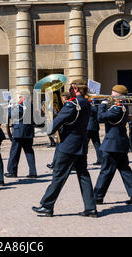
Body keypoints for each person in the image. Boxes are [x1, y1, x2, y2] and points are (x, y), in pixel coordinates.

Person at [32, 79, 98, 218]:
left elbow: (57, 122)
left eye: (71, 88)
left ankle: (47, 206)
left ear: (75, 89)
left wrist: (47, 127)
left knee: (58, 176)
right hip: (81, 144)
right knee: (83, 175)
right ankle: (91, 208)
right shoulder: (87, 104)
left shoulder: (72, 104)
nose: (70, 90)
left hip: (68, 145)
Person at [94, 85, 132, 205]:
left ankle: (97, 197)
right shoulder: (120, 107)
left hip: (112, 144)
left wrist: (103, 105)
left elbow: (100, 117)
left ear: (119, 95)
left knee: (106, 171)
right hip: (119, 143)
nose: (111, 95)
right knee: (125, 171)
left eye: (113, 93)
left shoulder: (117, 108)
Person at [4, 91, 37, 178]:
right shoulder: (31, 105)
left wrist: (10, 107)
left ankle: (12, 171)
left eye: (20, 97)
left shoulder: (21, 105)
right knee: (29, 152)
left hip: (19, 132)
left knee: (14, 152)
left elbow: (12, 115)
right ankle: (33, 172)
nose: (19, 99)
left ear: (23, 97)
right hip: (28, 131)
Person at [46, 91, 70, 170]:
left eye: (63, 97)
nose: (62, 98)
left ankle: (58, 164)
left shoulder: (68, 105)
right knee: (58, 146)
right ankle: (55, 163)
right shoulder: (61, 105)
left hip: (66, 129)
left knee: (61, 147)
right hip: (60, 128)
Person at [87, 98, 102, 166]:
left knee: (84, 145)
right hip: (94, 127)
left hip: (89, 127)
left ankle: (82, 161)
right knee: (97, 144)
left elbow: (94, 111)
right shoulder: (96, 106)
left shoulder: (93, 106)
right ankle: (100, 160)